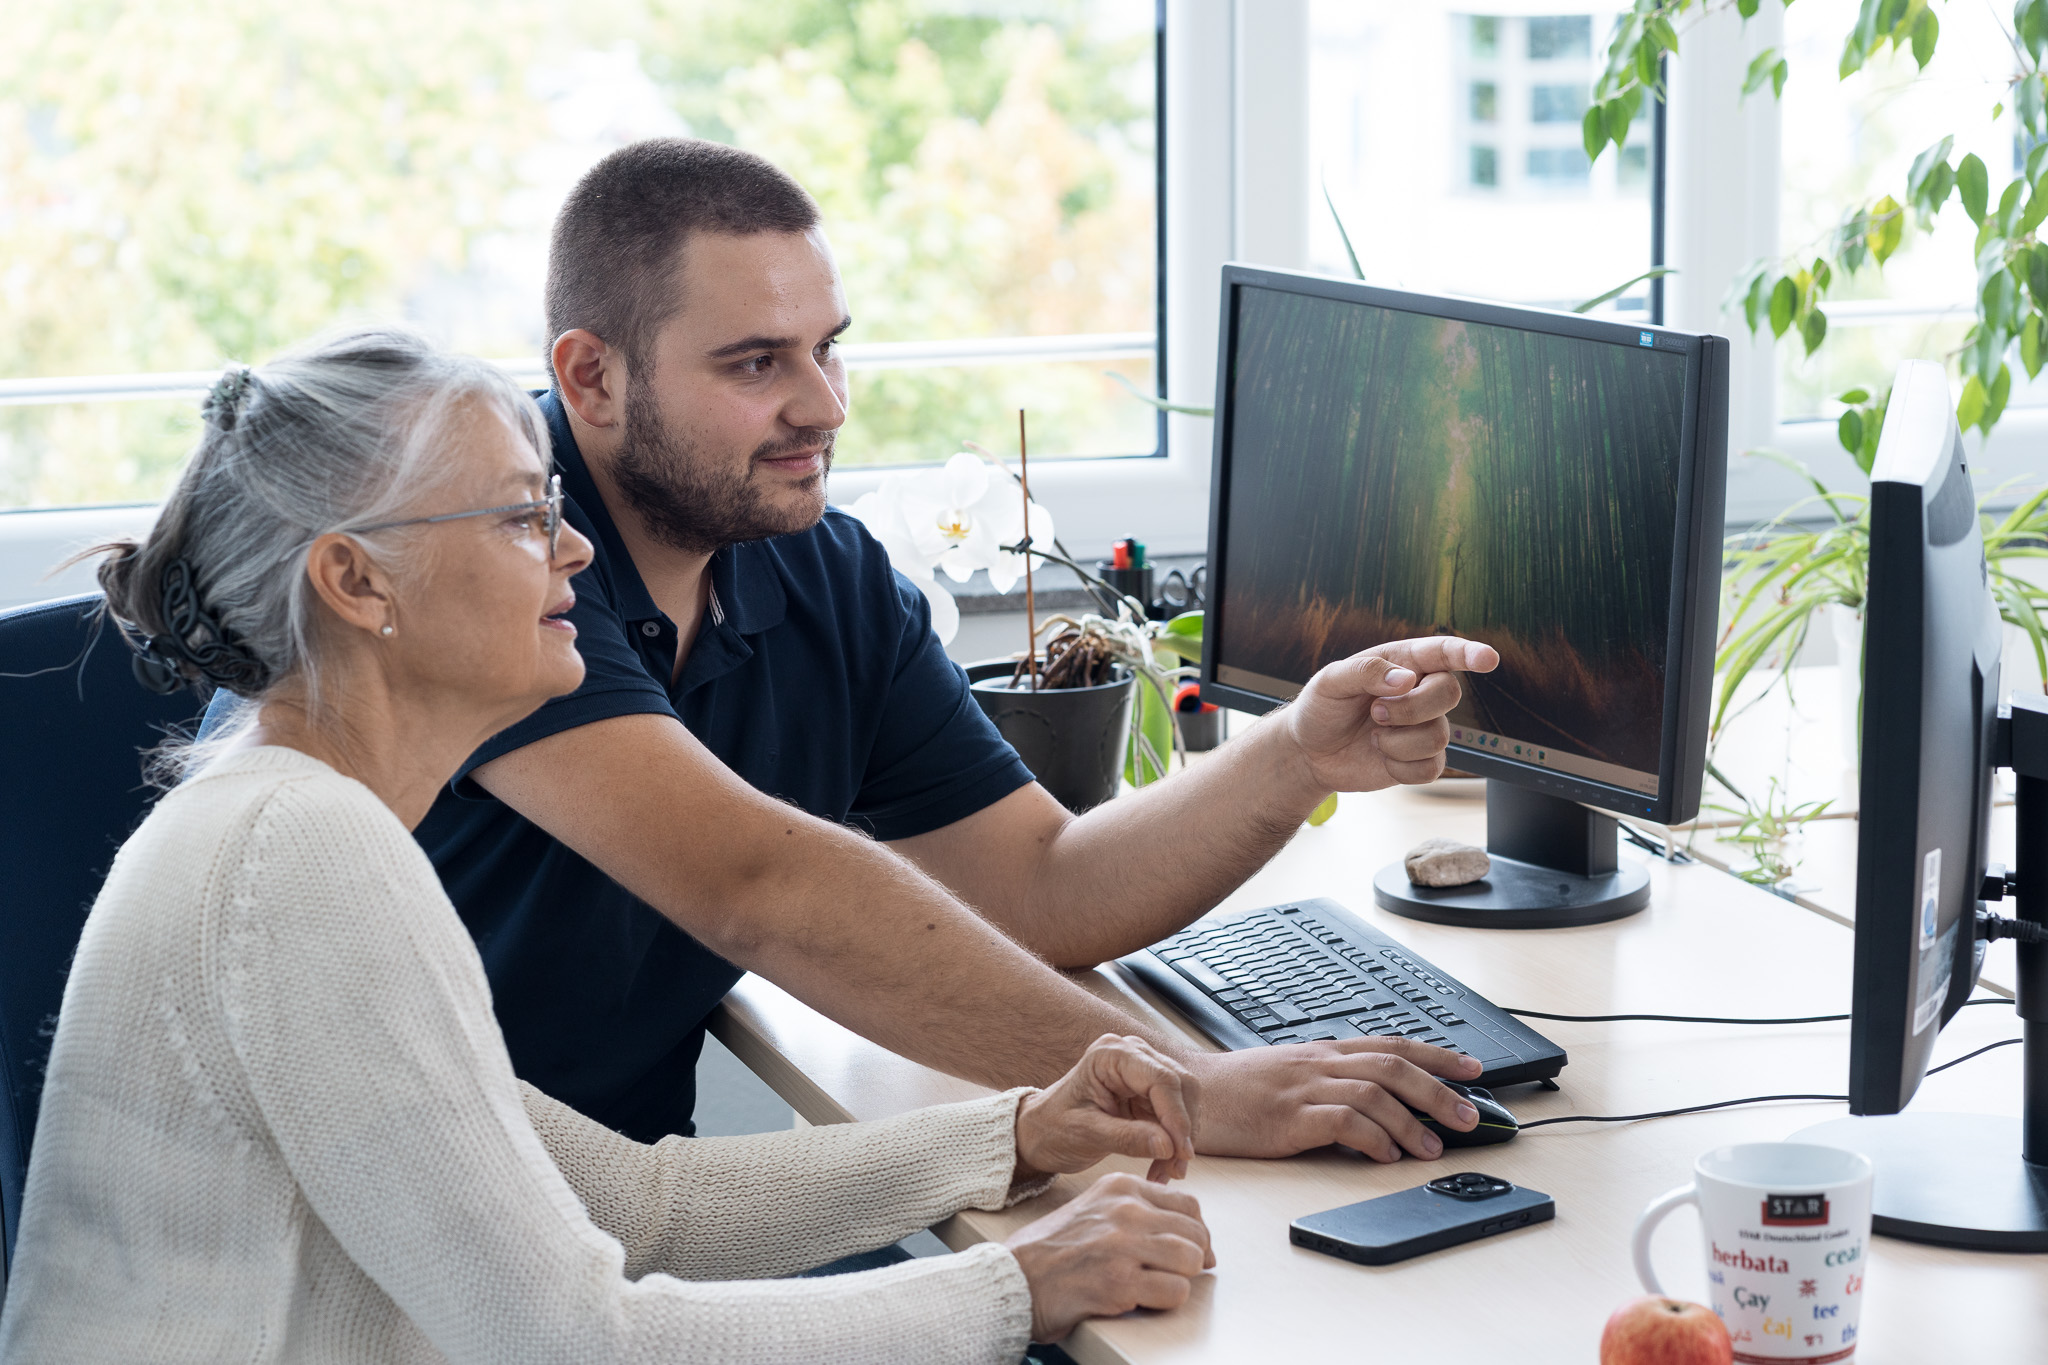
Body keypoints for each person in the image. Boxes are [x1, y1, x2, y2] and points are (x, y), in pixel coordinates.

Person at [219, 139, 1500, 1165]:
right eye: (753, 363)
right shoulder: (494, 562)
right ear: (590, 377)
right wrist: (1189, 1092)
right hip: (399, 1234)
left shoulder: (813, 563)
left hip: (610, 1207)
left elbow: (1036, 890)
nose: (822, 406)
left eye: (827, 348)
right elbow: (754, 884)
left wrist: (1289, 756)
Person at [0, 328, 1214, 1364]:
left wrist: (1015, 1136)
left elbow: (637, 1204)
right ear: (358, 582)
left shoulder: (296, 820)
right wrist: (1018, 1289)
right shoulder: (301, 857)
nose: (574, 548)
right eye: (525, 516)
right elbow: (579, 1342)